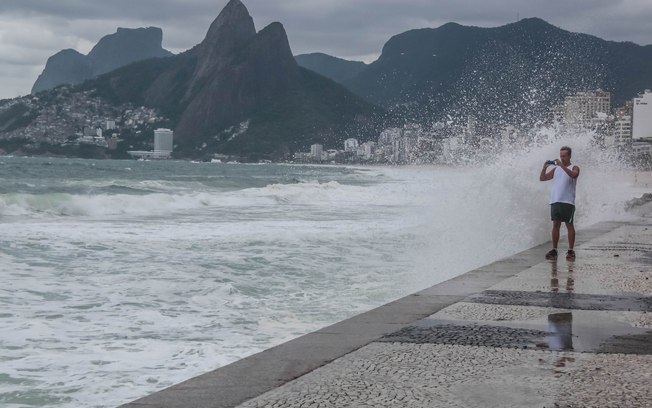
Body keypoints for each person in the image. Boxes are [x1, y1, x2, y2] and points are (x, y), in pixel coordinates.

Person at [539, 146, 580, 261]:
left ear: (569, 156)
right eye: (561, 156)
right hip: (555, 200)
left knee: (569, 225)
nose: (562, 158)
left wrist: (561, 165)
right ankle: (554, 250)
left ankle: (571, 250)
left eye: (564, 156)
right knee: (555, 225)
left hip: (568, 201)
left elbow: (573, 175)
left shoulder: (574, 167)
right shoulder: (556, 169)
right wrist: (544, 168)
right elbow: (542, 178)